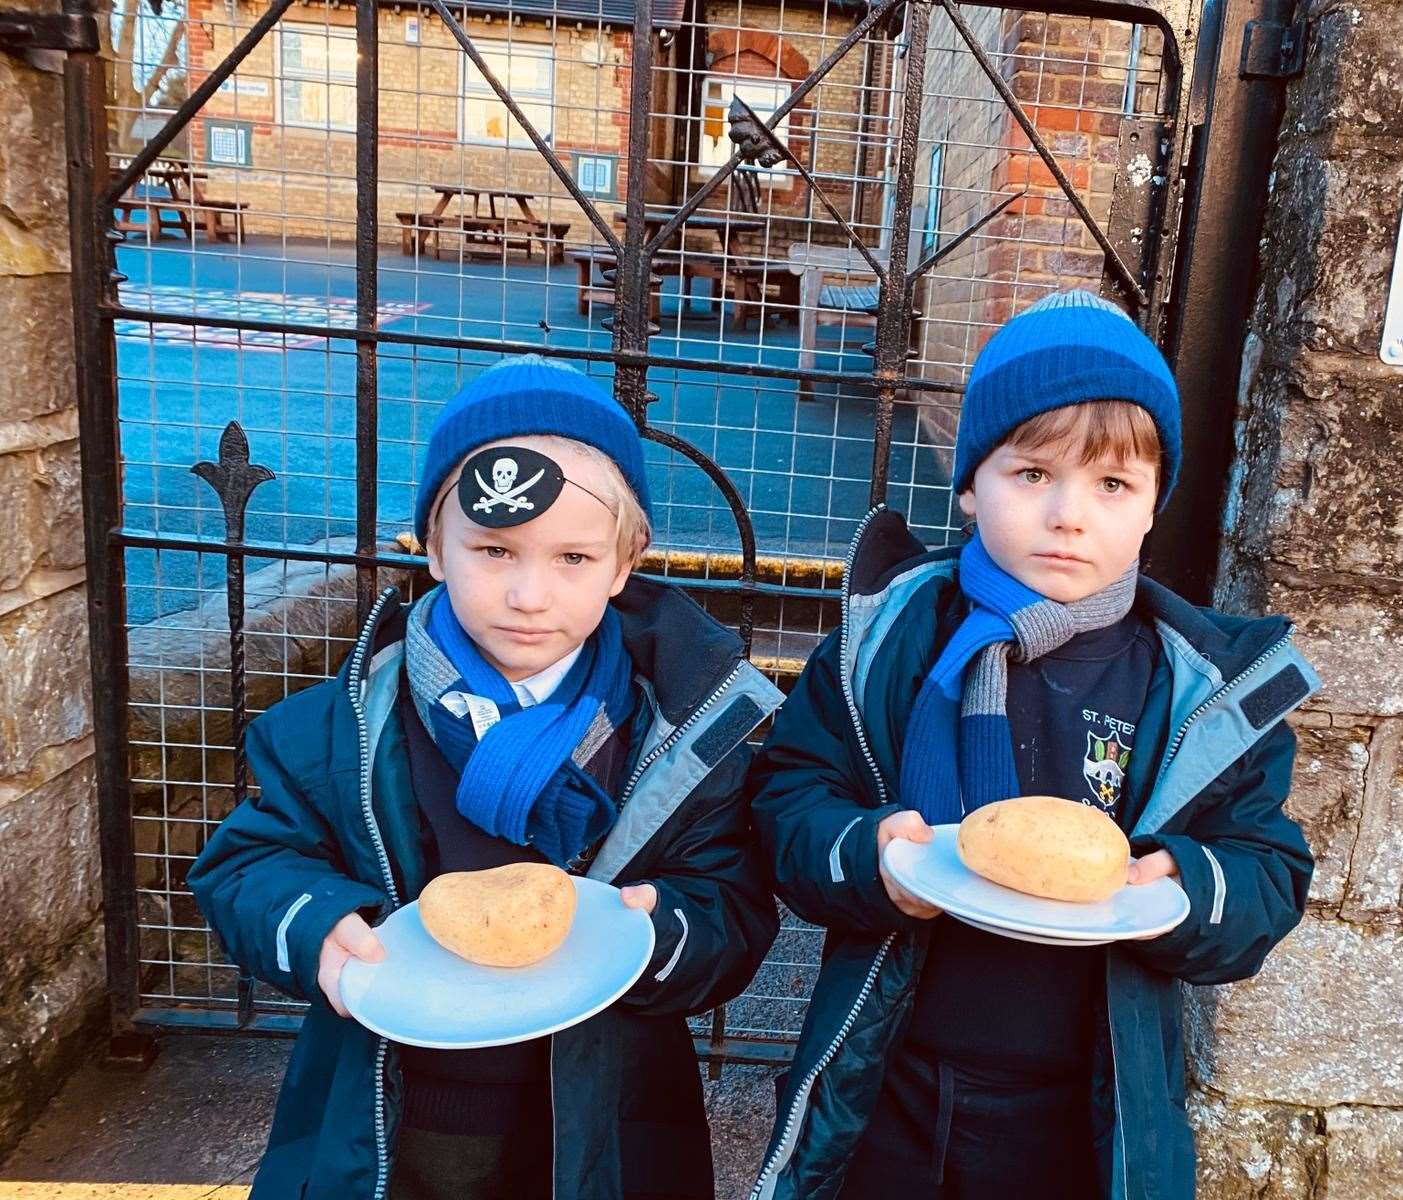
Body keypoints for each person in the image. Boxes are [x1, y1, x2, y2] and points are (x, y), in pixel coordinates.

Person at [745, 291, 1321, 1200]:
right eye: (1031, 474)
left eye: (1112, 485)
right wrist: (870, 857)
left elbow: (1269, 869)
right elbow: (789, 798)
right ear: (970, 483)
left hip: (1080, 1108)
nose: (1068, 514)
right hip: (885, 1076)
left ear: (1152, 507)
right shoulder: (887, 643)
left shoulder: (1199, 689)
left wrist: (1177, 883)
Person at [189, 354, 783, 1200]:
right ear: (434, 547)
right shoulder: (341, 727)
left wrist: (663, 935)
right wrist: (321, 924)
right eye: (494, 549)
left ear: (625, 561)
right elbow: (245, 866)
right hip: (393, 1114)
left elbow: (732, 899)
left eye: (573, 558)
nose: (530, 595)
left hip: (606, 1122)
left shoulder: (685, 728)